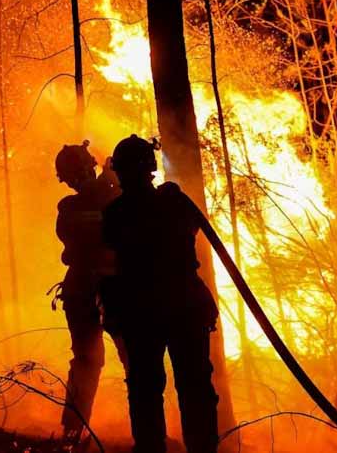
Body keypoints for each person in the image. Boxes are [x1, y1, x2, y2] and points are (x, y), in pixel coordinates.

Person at [100, 134, 219, 453]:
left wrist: (112, 313)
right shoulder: (173, 203)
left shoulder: (116, 214)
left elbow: (110, 268)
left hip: (144, 311)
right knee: (191, 388)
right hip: (179, 306)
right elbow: (190, 234)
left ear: (122, 172)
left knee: (146, 389)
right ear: (150, 169)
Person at [54, 141, 127, 446]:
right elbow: (97, 213)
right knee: (92, 359)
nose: (81, 176)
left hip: (98, 290)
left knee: (118, 358)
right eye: (79, 172)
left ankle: (73, 433)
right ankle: (73, 433)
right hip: (100, 290)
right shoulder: (73, 206)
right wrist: (110, 180)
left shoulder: (102, 197)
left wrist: (110, 181)